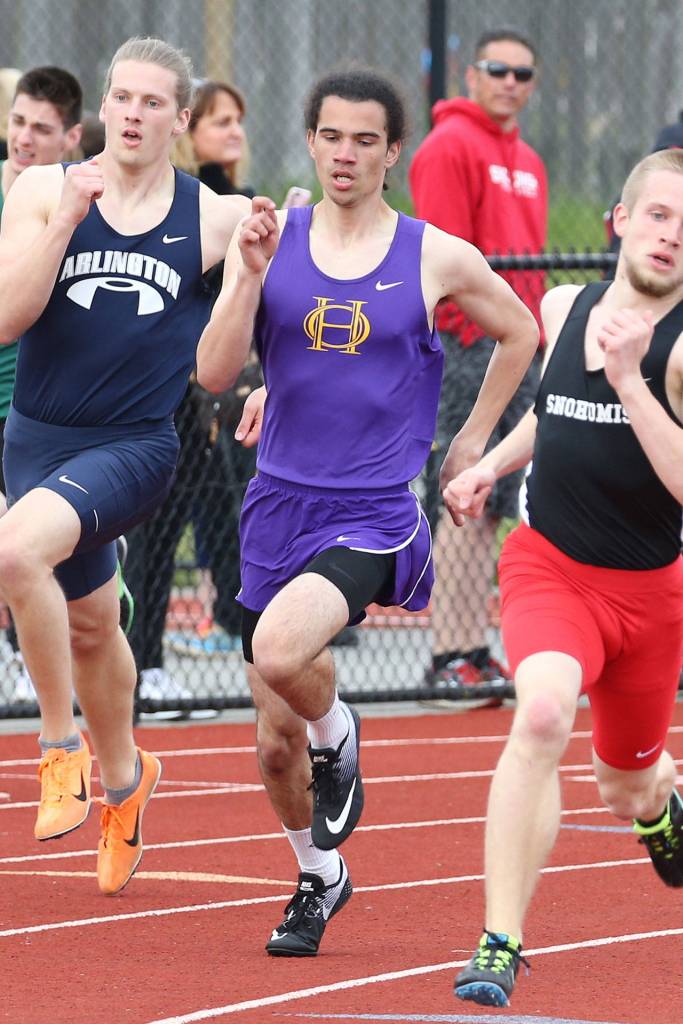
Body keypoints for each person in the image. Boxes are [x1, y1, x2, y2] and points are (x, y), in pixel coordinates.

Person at [196, 66, 539, 957]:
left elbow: (519, 331)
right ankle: (318, 874)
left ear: (393, 152)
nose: (344, 153)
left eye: (364, 139)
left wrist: (468, 440)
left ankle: (338, 726)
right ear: (309, 140)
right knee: (272, 748)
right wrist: (245, 278)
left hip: (375, 510)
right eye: (330, 136)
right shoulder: (274, 236)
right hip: (277, 505)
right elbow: (213, 373)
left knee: (281, 651)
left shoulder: (432, 253)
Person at [0, 36, 252, 895]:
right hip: (35, 439)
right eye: (122, 98)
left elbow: (251, 338)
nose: (134, 114)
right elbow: (5, 318)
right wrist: (69, 217)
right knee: (92, 626)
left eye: (154, 103)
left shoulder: (215, 216)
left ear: (180, 120)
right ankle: (124, 782)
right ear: (101, 108)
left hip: (136, 445)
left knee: (12, 553)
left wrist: (268, 380)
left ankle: (57, 748)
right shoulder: (41, 189)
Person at [445, 148, 683, 1007]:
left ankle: (660, 802)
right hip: (550, 566)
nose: (669, 236)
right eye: (657, 214)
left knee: (620, 788)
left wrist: (632, 380)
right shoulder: (561, 304)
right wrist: (490, 468)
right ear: (618, 221)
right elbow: (553, 410)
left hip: (650, 596)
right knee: (541, 711)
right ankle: (500, 939)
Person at [409, 28, 547, 694]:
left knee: (491, 499)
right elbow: (442, 255)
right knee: (462, 485)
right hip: (471, 346)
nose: (510, 83)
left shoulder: (528, 159)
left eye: (523, 74)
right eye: (497, 70)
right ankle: (448, 651)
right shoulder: (447, 146)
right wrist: (471, 332)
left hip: (521, 346)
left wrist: (531, 334)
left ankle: (474, 647)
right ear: (470, 76)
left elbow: (533, 260)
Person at [125, 80, 258, 706]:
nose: (233, 131)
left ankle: (151, 662)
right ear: (188, 129)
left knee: (189, 518)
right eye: (219, 120)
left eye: (238, 120)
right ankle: (138, 663)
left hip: (207, 393)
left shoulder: (234, 206)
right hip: (167, 387)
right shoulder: (187, 205)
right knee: (146, 532)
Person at [0, 67, 84, 696]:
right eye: (18, 122)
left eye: (42, 129)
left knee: (22, 548)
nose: (25, 139)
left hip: (34, 410)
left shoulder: (77, 208)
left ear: (71, 138)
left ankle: (30, 646)